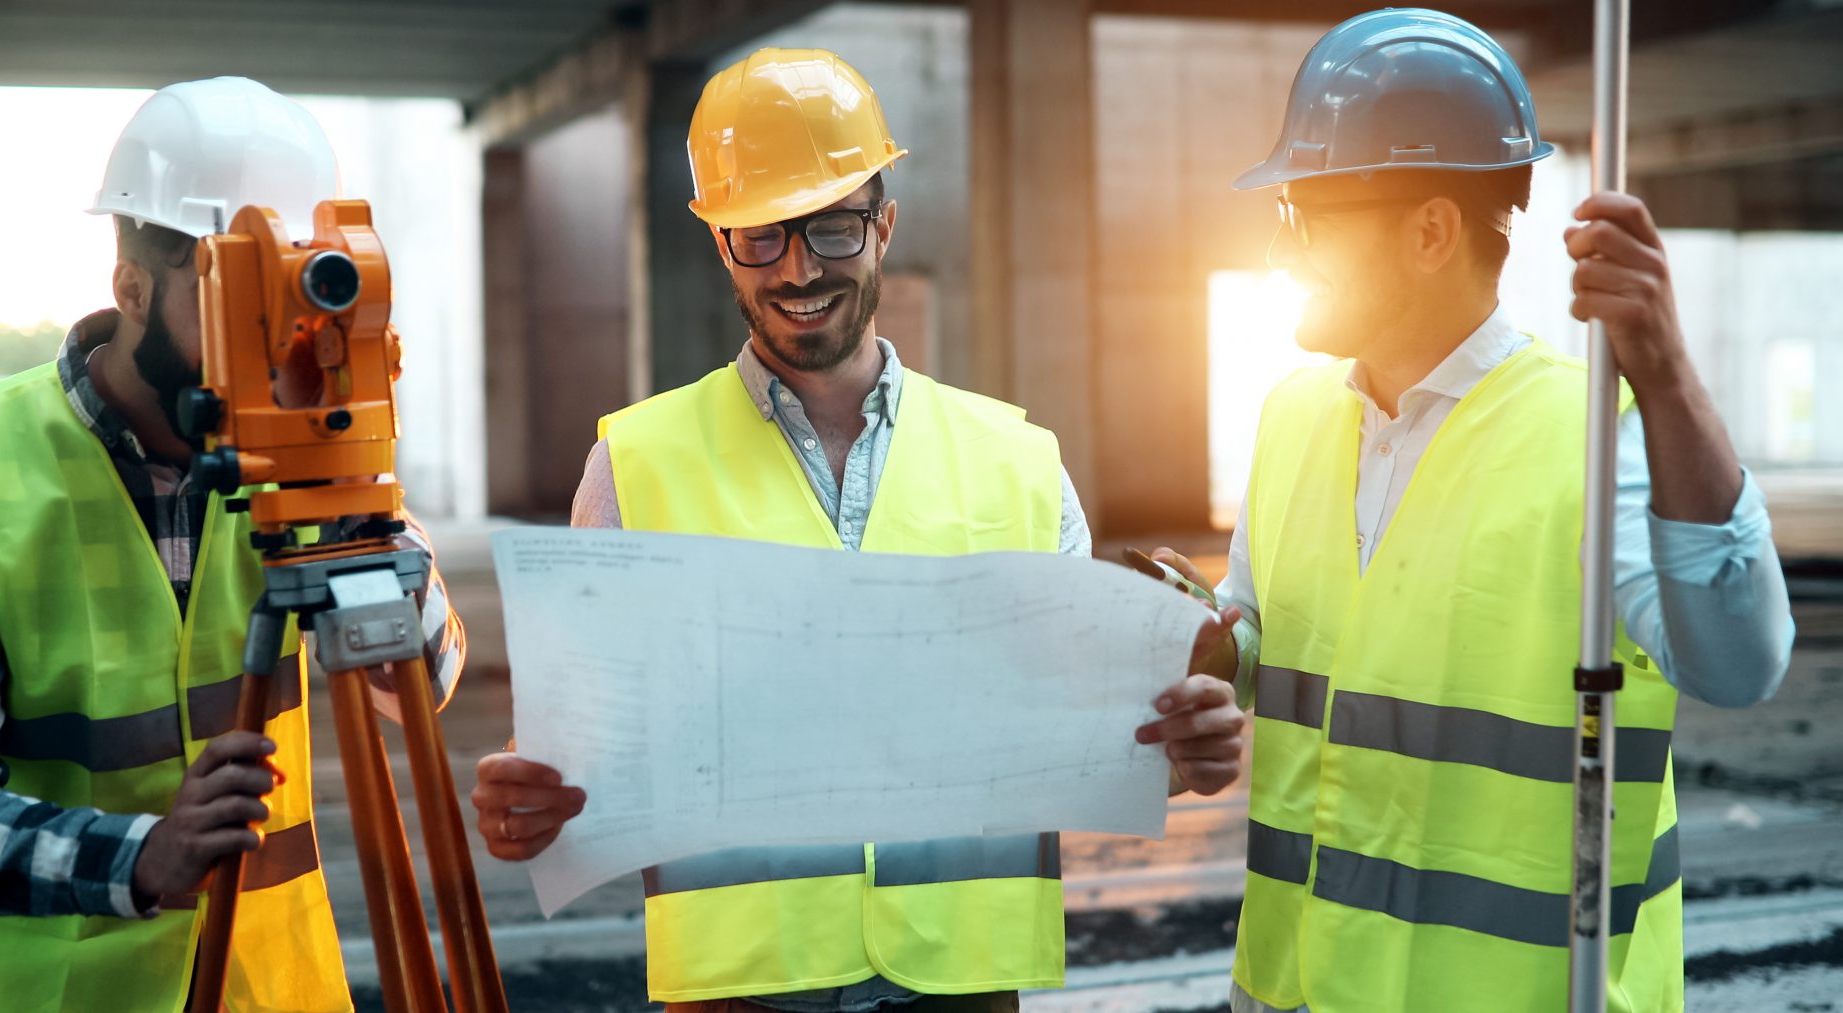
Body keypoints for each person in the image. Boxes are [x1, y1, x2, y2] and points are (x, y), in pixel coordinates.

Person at [470, 48, 1243, 1012]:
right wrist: (529, 800)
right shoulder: (634, 466)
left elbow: (1093, 748)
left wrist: (1181, 752)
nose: (800, 269)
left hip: (964, 982)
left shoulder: (1019, 464)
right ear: (721, 242)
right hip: (740, 987)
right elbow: (579, 743)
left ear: (883, 224)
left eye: (833, 228)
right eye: (764, 235)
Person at [1149, 10, 1796, 1012]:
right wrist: (1216, 667)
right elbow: (1275, 644)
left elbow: (1740, 659)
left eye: (1308, 215)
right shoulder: (1291, 415)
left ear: (1431, 229)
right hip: (1294, 990)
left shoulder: (1594, 435)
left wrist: (1667, 379)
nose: (1284, 248)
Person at [0, 76, 466, 1012]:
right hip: (49, 992)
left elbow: (426, 674)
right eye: (235, 295)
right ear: (131, 285)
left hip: (272, 989)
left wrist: (355, 497)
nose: (274, 339)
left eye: (289, 288)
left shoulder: (306, 442)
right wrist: (142, 857)